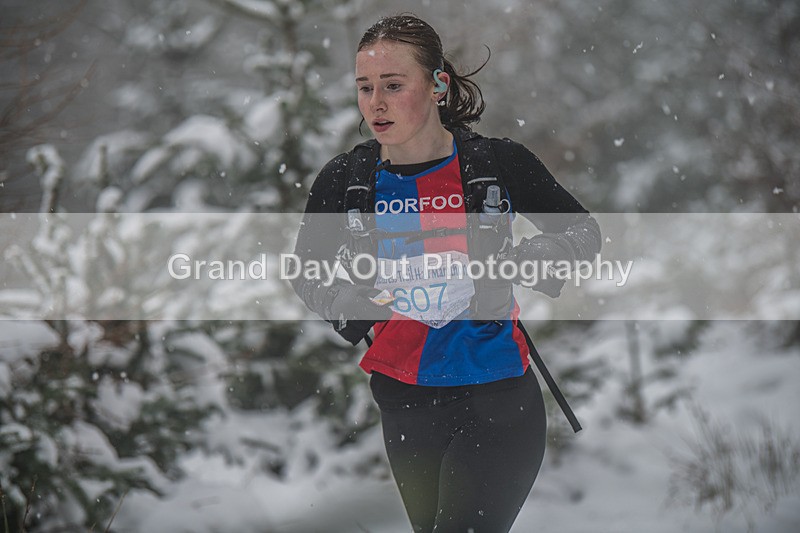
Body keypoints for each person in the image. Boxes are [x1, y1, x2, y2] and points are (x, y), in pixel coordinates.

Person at [291, 13, 601, 532]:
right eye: (365, 87)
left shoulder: (497, 165)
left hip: (498, 395)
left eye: (394, 85)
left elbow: (584, 234)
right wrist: (368, 303)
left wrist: (517, 261)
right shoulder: (348, 179)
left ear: (438, 85)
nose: (377, 103)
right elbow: (307, 274)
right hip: (405, 403)